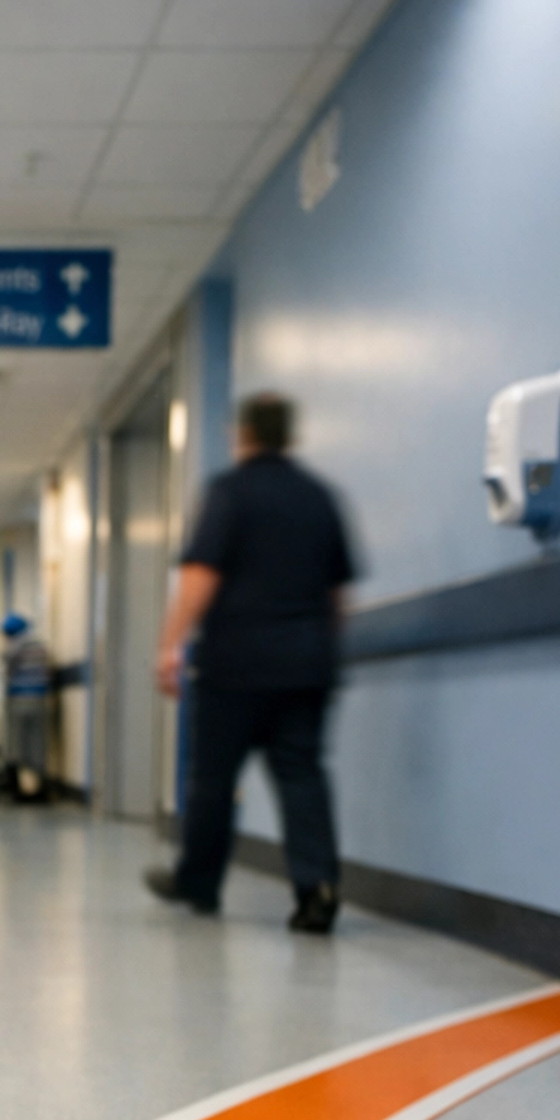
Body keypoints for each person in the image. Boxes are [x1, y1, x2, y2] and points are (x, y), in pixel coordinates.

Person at [146, 390, 357, 933]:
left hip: (235, 665)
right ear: (290, 436)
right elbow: (338, 596)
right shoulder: (320, 497)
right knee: (302, 776)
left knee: (214, 779)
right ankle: (317, 889)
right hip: (307, 665)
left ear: (242, 435)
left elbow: (201, 575)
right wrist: (318, 647)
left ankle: (200, 884)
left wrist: (170, 645)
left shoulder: (229, 493)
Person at [0, 611, 52, 801]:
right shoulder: (41, 646)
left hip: (19, 701)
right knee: (38, 745)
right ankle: (40, 789)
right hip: (40, 701)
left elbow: (5, 670)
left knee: (18, 746)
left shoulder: (14, 646)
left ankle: (20, 790)